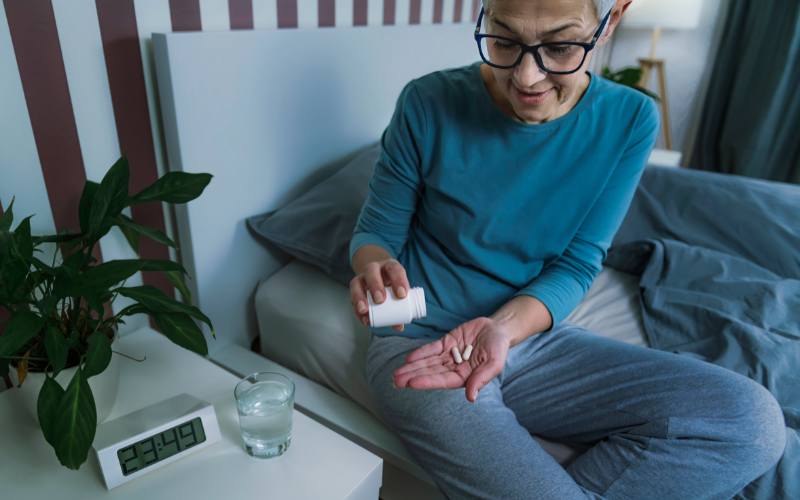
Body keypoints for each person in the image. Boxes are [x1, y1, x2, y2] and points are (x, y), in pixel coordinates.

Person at [348, 0, 786, 498]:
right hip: (423, 347)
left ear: (610, 23)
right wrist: (375, 266)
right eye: (505, 41)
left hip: (531, 338)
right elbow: (376, 232)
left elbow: (578, 263)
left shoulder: (631, 117)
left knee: (752, 423)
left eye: (559, 47)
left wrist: (502, 329)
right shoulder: (428, 102)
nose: (527, 77)